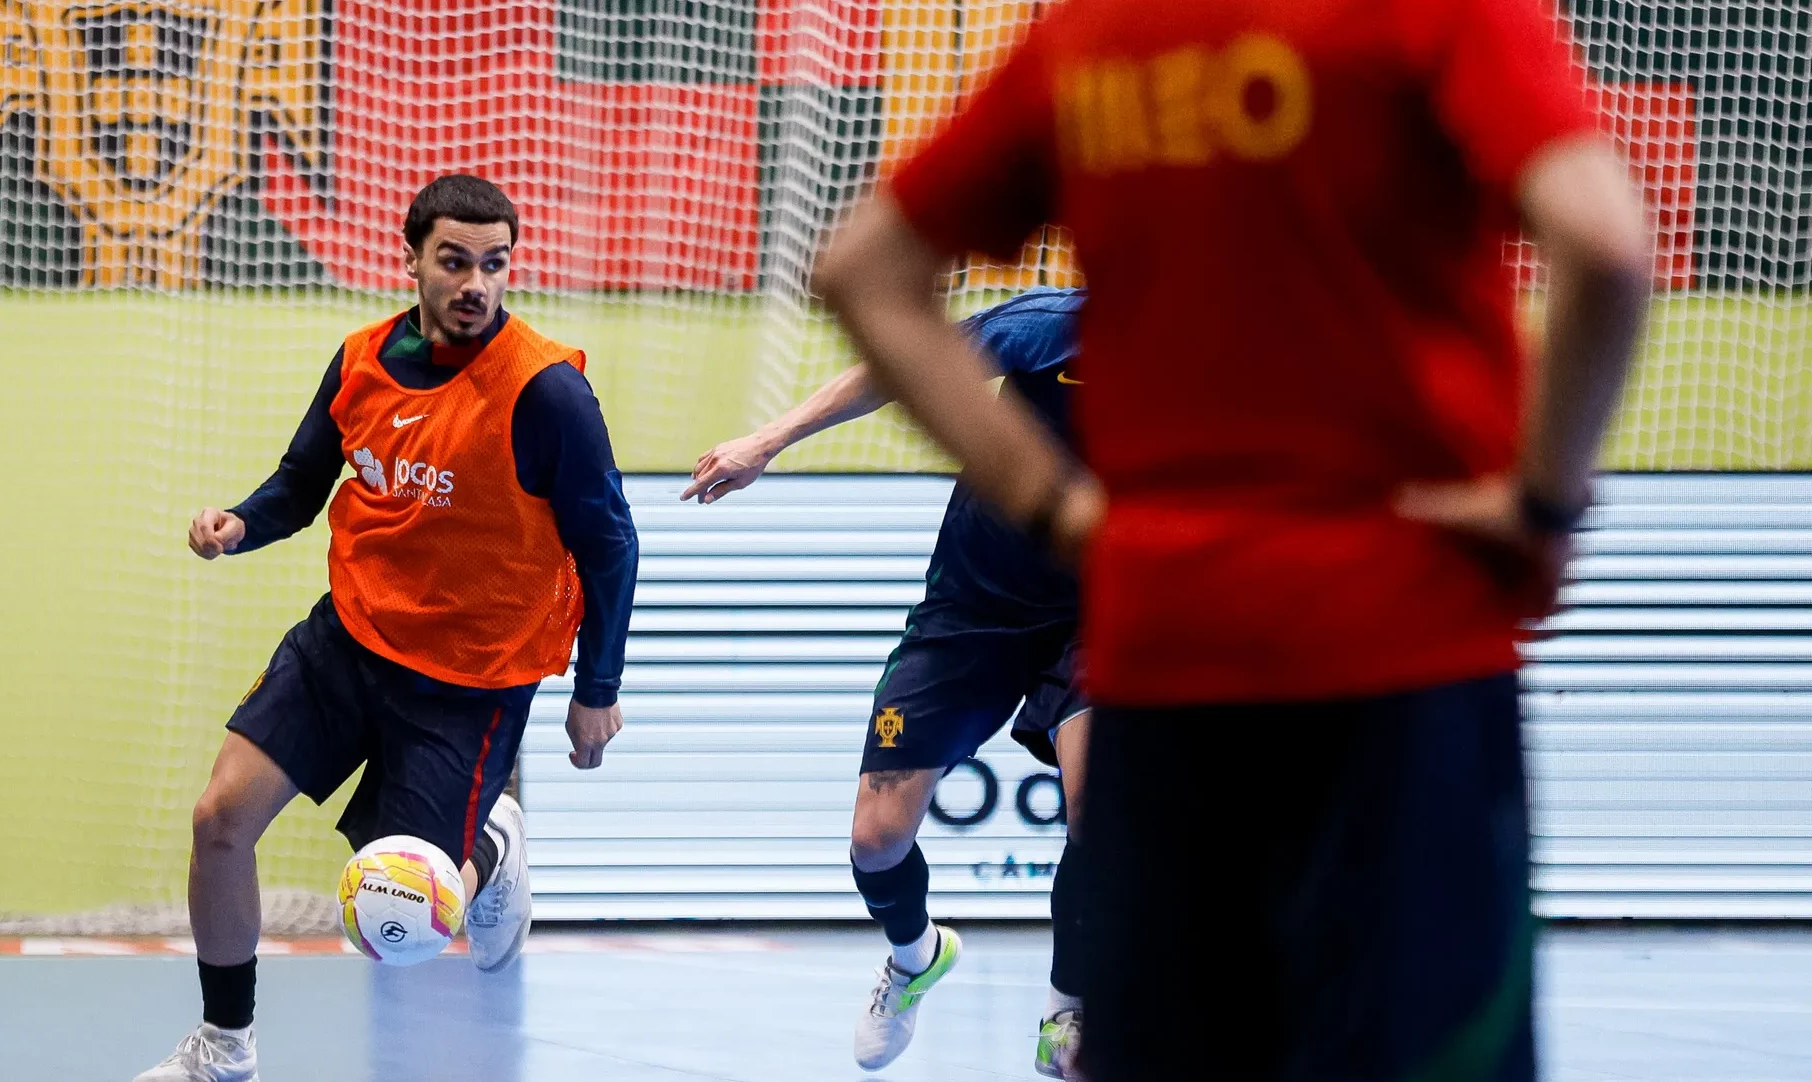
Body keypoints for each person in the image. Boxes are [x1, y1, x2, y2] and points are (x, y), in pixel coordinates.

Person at [811, 1, 1651, 1079]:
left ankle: (1065, 1001)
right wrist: (1542, 499)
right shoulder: (1435, 12)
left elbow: (863, 272)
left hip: (1168, 647)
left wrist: (1058, 509)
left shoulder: (1097, 36)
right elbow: (1605, 243)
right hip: (1399, 640)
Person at [138, 175, 639, 1082]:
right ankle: (224, 1049)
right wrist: (240, 525)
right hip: (348, 638)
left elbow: (611, 543)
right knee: (220, 819)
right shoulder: (362, 360)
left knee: (399, 927)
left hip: (470, 678)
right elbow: (301, 485)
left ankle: (490, 842)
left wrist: (597, 689)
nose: (475, 283)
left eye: (494, 264)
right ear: (412, 260)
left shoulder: (545, 393)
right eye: (454, 261)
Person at [685, 287, 1092, 1076]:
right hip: (972, 610)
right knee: (876, 841)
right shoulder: (1051, 326)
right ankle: (915, 957)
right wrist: (767, 440)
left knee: (1097, 806)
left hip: (1100, 608)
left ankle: (1067, 1007)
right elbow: (903, 371)